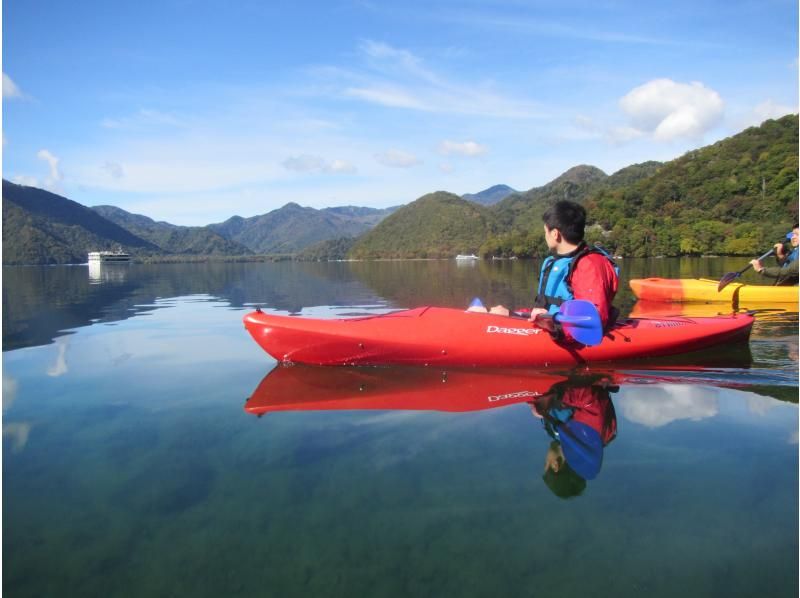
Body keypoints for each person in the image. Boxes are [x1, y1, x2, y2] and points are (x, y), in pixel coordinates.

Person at [529, 200, 619, 335]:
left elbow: (589, 323)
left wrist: (551, 326)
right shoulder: (553, 261)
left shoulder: (589, 265)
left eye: (545, 231)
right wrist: (509, 314)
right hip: (551, 323)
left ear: (555, 234)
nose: (545, 236)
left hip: (566, 334)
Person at [529, 376, 618, 499]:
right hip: (578, 375)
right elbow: (591, 399)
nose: (546, 458)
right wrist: (554, 397)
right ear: (555, 465)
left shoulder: (559, 436)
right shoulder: (591, 436)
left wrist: (541, 408)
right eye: (546, 463)